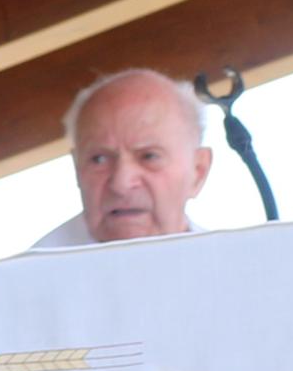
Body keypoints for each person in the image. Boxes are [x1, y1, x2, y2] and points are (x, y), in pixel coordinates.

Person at [33, 67, 213, 246]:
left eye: (149, 156)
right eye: (99, 159)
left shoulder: (235, 268)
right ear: (77, 169)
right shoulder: (29, 273)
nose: (121, 184)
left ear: (198, 172)